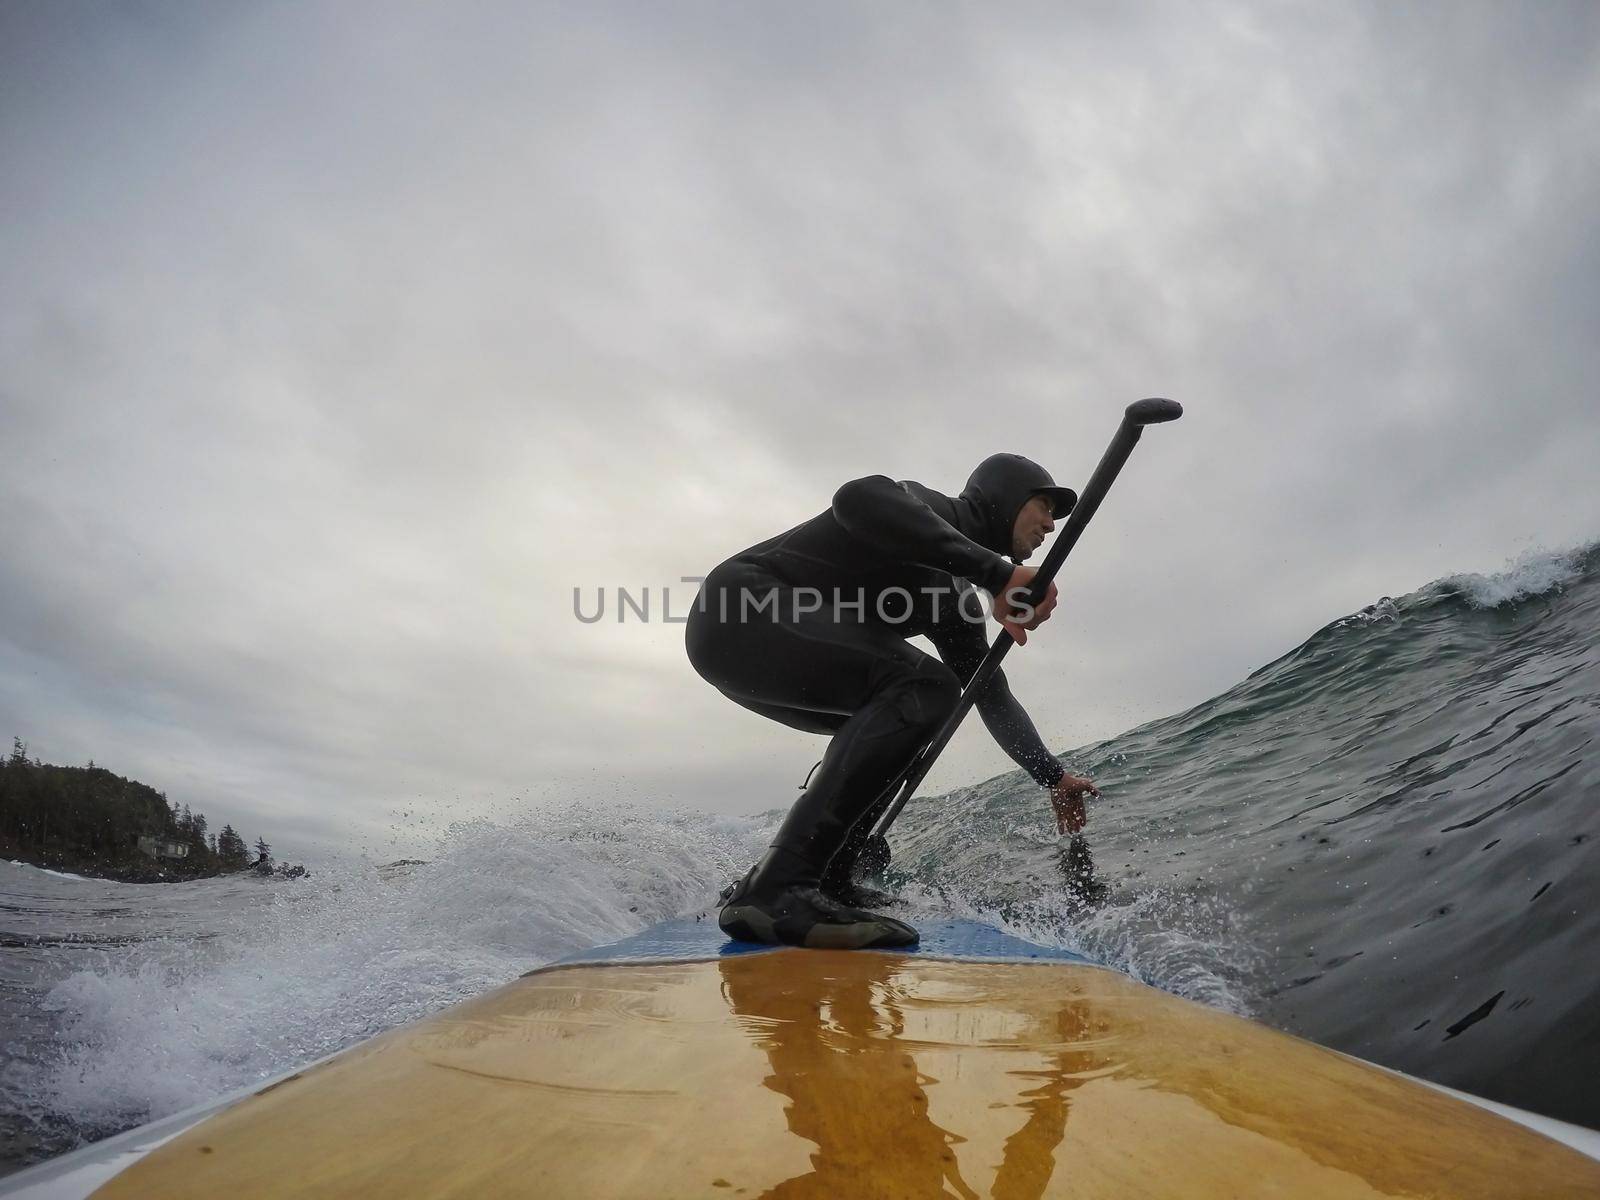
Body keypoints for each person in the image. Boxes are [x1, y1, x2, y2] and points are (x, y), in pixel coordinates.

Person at [685, 453, 1100, 950]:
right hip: (739, 609)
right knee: (927, 689)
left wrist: (1053, 777)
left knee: (909, 722)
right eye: (1043, 505)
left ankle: (824, 879)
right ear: (1005, 498)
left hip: (749, 649)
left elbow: (990, 696)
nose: (1050, 524)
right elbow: (856, 497)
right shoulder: (927, 509)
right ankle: (779, 887)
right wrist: (995, 574)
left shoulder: (954, 599)